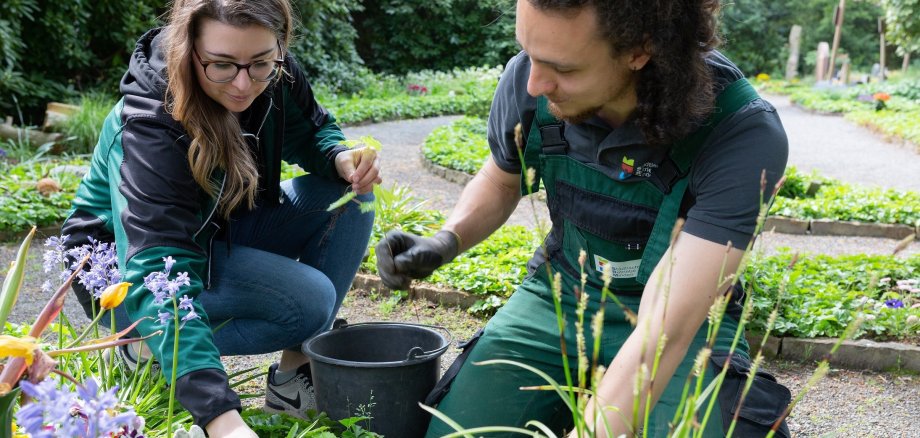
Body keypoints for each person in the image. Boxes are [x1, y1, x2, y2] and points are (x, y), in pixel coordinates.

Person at [376, 1, 791, 437]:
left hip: (681, 321)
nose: (534, 82)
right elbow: (502, 181)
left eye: (563, 68)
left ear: (639, 50)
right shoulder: (532, 77)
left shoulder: (740, 131)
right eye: (528, 53)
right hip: (562, 292)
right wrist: (447, 239)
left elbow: (663, 331)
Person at [61, 0, 380, 436]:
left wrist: (340, 157)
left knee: (349, 196)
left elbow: (311, 129)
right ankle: (143, 346)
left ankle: (293, 377)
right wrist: (221, 419)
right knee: (309, 302)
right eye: (222, 66)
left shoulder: (272, 71)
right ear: (188, 49)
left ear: (278, 47)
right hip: (125, 270)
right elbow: (155, 264)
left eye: (261, 63)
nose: (244, 84)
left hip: (215, 230)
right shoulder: (150, 124)